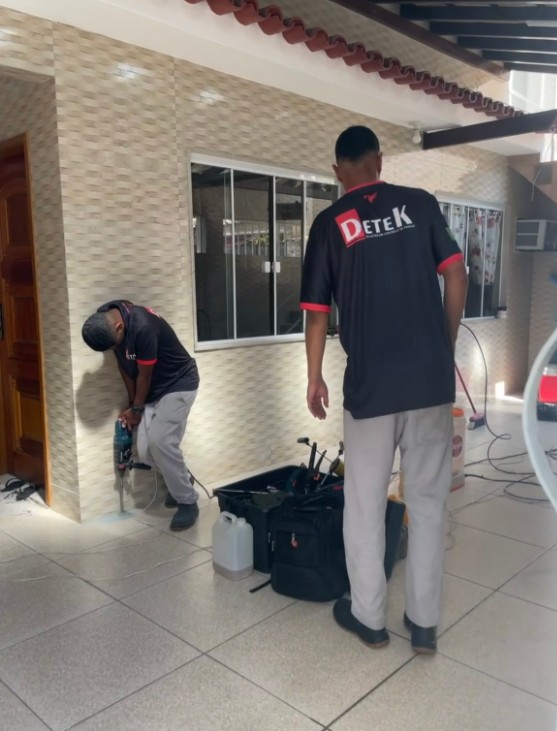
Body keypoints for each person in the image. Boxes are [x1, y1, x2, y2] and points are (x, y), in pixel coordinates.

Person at [300, 126, 468, 654]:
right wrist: (444, 342)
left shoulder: (329, 224)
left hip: (370, 388)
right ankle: (423, 624)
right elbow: (457, 274)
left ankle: (369, 618)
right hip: (429, 383)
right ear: (379, 160)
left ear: (337, 171)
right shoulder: (420, 204)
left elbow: (317, 314)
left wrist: (314, 376)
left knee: (365, 503)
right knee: (429, 503)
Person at [82, 300, 200, 531]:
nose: (116, 348)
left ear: (119, 327)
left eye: (116, 343)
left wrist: (136, 410)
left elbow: (144, 376)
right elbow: (125, 367)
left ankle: (188, 501)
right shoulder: (106, 318)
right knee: (145, 453)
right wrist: (131, 404)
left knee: (161, 441)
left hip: (178, 383)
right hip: (154, 389)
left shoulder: (143, 327)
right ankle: (182, 481)